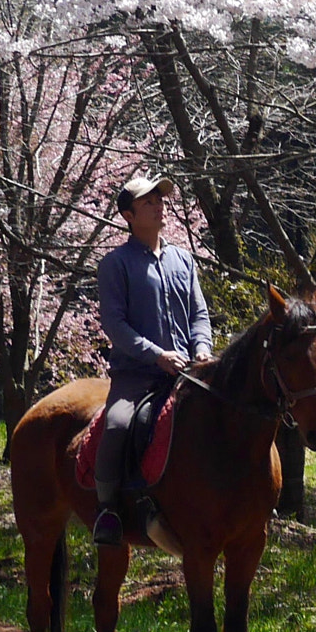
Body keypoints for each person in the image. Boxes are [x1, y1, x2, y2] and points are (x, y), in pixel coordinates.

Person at [93, 172, 212, 546]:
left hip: (188, 374)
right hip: (136, 378)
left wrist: (202, 348)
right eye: (148, 202)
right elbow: (116, 324)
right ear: (129, 215)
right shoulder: (115, 264)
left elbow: (199, 314)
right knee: (116, 425)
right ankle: (109, 511)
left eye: (160, 200)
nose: (159, 206)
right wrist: (156, 354)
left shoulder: (184, 260)